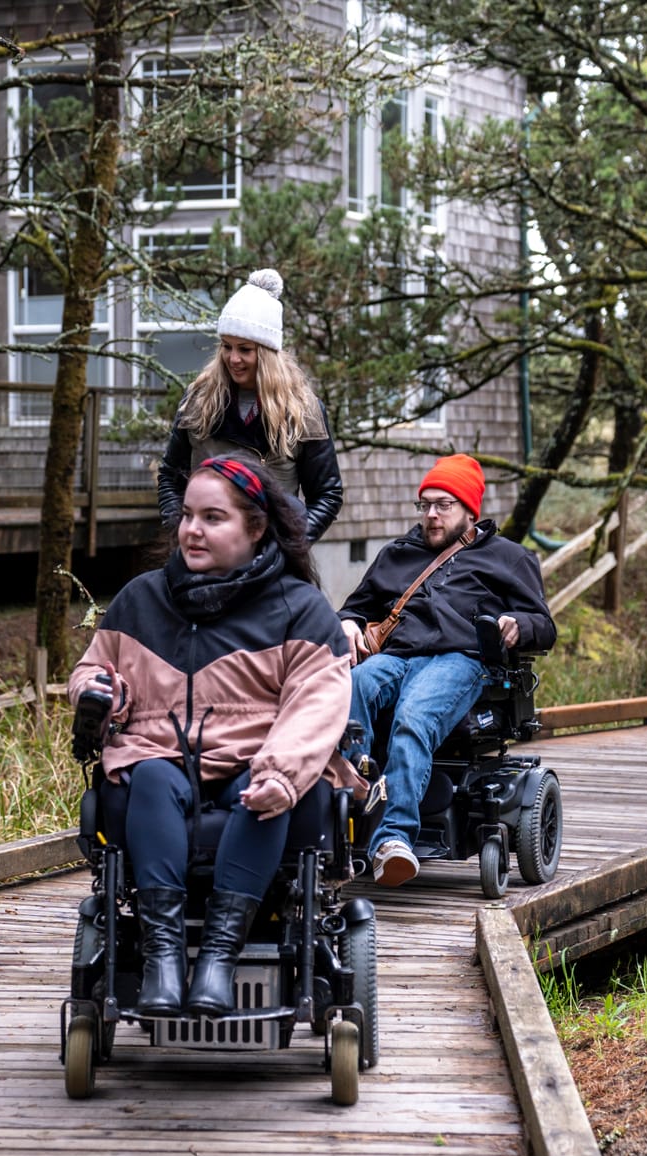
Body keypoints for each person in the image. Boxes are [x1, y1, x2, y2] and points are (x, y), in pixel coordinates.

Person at [69, 457, 361, 1017]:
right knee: (149, 777)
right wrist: (98, 691)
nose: (192, 530)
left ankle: (218, 962)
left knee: (263, 793)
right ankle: (162, 960)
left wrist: (282, 773)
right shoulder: (140, 599)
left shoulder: (299, 610)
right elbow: (94, 668)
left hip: (259, 757)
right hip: (160, 754)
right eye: (186, 516)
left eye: (212, 517)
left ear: (255, 529)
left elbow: (317, 704)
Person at [339, 454, 556, 888]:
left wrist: (518, 626)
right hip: (397, 657)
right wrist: (346, 623)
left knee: (414, 716)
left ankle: (392, 839)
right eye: (425, 506)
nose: (431, 516)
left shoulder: (507, 558)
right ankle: (342, 815)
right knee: (354, 685)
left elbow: (545, 626)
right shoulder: (397, 554)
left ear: (468, 510)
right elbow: (355, 607)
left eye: (443, 505)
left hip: (461, 659)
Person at [156, 269, 345, 543]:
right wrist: (181, 530)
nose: (233, 359)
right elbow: (169, 477)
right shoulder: (198, 399)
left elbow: (327, 494)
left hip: (272, 556)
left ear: (267, 353)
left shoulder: (303, 409)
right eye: (226, 346)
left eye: (245, 349)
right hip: (203, 549)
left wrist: (290, 545)